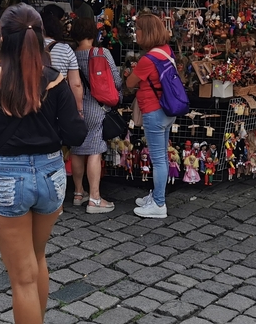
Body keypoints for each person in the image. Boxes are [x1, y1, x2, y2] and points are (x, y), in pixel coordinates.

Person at [0, 4, 86, 324]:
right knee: (38, 258)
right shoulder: (56, 80)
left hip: (7, 178)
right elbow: (76, 134)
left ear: (3, 37)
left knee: (22, 278)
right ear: (41, 37)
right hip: (50, 174)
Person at [124, 13, 176, 219]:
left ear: (145, 32)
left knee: (159, 160)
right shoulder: (166, 51)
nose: (135, 33)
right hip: (167, 110)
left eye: (137, 29)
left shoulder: (148, 59)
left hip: (154, 111)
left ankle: (159, 204)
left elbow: (130, 83)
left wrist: (132, 72)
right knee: (162, 156)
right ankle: (156, 195)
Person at [69, 17, 120, 214]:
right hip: (96, 108)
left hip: (75, 107)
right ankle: (95, 199)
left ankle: (78, 193)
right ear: (93, 33)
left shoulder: (71, 54)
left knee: (76, 148)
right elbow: (115, 80)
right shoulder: (101, 52)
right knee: (94, 150)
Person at [40, 5, 84, 112]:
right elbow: (76, 84)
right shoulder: (66, 49)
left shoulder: (27, 46)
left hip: (33, 103)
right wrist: (79, 110)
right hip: (58, 104)